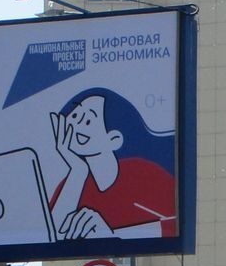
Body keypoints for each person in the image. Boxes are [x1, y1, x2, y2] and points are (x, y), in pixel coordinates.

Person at [48, 87, 178, 241]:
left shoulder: (142, 174)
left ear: (114, 139)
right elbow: (49, 236)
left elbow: (174, 224)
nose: (76, 125)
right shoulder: (71, 184)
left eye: (88, 120)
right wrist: (77, 171)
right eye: (75, 115)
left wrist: (110, 235)